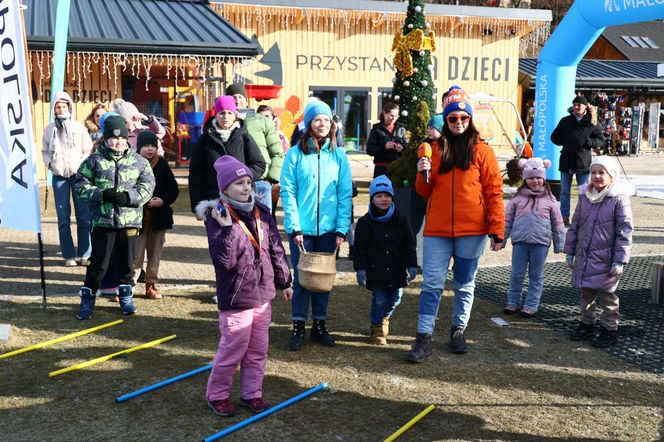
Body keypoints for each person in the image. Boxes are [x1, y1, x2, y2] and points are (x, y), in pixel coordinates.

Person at [407, 85, 504, 362]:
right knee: (432, 285)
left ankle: (458, 330)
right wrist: (420, 174)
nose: (458, 122)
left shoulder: (483, 152)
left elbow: (494, 191)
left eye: (463, 117)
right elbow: (423, 192)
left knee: (464, 283)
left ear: (470, 119)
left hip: (472, 231)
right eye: (452, 118)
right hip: (437, 230)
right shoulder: (434, 150)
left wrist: (497, 229)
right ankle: (424, 337)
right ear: (445, 120)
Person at [196, 155, 292, 417]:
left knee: (258, 349)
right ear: (225, 188)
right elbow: (223, 261)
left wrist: (284, 280)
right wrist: (227, 230)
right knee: (233, 348)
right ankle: (217, 395)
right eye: (239, 183)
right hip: (237, 294)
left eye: (249, 182)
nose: (246, 187)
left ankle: (252, 393)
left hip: (262, 293)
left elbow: (275, 248)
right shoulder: (218, 216)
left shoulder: (262, 211)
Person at [280, 99, 353, 351]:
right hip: (302, 230)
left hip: (330, 229)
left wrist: (342, 228)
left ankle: (319, 325)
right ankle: (298, 325)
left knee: (323, 279)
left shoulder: (339, 155)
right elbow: (288, 192)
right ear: (308, 123)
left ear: (331, 123)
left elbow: (344, 194)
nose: (321, 124)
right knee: (301, 280)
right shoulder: (295, 154)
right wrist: (295, 226)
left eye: (325, 119)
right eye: (316, 119)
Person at [73, 115, 155, 319]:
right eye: (113, 138)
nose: (117, 142)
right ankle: (88, 298)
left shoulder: (139, 162)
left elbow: (147, 187)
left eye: (121, 138)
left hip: (129, 221)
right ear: (105, 138)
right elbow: (80, 185)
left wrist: (129, 197)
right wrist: (102, 195)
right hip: (103, 222)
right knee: (98, 264)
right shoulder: (94, 161)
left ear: (127, 138)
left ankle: (126, 296)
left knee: (127, 262)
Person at [564, 156, 633, 348]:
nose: (596, 176)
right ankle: (587, 323)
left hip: (606, 259)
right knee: (586, 294)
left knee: (607, 296)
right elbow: (576, 224)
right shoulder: (585, 197)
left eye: (602, 172)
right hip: (585, 257)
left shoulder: (618, 200)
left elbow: (624, 231)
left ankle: (609, 328)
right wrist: (570, 251)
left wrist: (619, 260)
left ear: (612, 176)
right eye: (593, 172)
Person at [494, 158, 565, 317]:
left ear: (544, 179)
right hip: (520, 243)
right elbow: (507, 221)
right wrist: (501, 239)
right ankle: (513, 302)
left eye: (539, 177)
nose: (535, 181)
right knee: (516, 274)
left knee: (536, 275)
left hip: (540, 244)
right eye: (531, 177)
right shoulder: (517, 199)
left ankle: (531, 305)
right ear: (525, 179)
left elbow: (558, 223)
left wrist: (560, 244)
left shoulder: (550, 200)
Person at [353, 175, 417, 345]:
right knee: (380, 299)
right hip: (376, 270)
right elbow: (359, 249)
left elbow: (409, 245)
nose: (383, 199)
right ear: (372, 198)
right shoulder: (365, 223)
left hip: (397, 269)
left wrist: (411, 265)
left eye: (387, 195)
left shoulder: (401, 220)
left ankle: (385, 317)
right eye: (379, 196)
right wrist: (360, 269)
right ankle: (376, 328)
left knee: (396, 298)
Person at [188, 95, 266, 215]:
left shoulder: (244, 137)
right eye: (222, 113)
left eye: (229, 113)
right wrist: (197, 206)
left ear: (235, 114)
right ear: (216, 114)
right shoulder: (205, 140)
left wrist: (242, 177)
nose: (226, 117)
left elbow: (259, 164)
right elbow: (196, 174)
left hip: (242, 201)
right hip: (213, 201)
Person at [41, 91, 93, 267]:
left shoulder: (79, 127)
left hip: (78, 177)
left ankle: (85, 254)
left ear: (69, 107)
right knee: (63, 218)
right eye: (58, 106)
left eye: (64, 106)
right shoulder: (50, 129)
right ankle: (68, 255)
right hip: (59, 177)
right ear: (54, 109)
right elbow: (44, 150)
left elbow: (88, 149)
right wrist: (51, 165)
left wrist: (81, 166)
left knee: (83, 216)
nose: (61, 109)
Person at [134, 131, 179, 299]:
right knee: (135, 256)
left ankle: (151, 286)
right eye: (146, 145)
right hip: (137, 219)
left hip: (159, 219)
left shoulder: (162, 165)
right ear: (139, 147)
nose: (150, 149)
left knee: (155, 255)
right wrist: (142, 201)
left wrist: (163, 200)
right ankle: (128, 287)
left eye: (153, 145)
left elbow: (173, 190)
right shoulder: (132, 164)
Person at [226, 83, 284, 211]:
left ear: (246, 100)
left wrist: (271, 179)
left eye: (240, 97)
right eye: (233, 97)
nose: (237, 100)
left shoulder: (262, 121)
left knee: (263, 224)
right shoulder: (223, 122)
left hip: (261, 181)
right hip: (233, 182)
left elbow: (276, 152)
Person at [550, 95, 605, 225]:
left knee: (584, 193)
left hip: (583, 162)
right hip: (566, 161)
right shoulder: (565, 121)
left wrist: (588, 142)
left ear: (585, 106)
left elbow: (601, 140)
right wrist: (565, 141)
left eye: (579, 105)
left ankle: (582, 216)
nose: (576, 107)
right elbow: (554, 137)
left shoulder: (592, 121)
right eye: (574, 105)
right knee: (564, 191)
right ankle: (564, 216)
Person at [257, 104, 289, 214]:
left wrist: (275, 177)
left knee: (271, 211)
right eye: (261, 116)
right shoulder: (255, 134)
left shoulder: (280, 136)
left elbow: (284, 155)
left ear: (273, 117)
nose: (264, 119)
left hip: (275, 177)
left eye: (267, 116)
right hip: (261, 176)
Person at [366, 102, 408, 178]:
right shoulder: (376, 129)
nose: (394, 118)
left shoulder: (402, 128)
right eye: (391, 115)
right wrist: (384, 147)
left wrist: (402, 149)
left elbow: (408, 148)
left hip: (398, 168)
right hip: (381, 169)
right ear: (384, 113)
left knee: (397, 190)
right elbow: (370, 150)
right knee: (382, 190)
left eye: (396, 116)